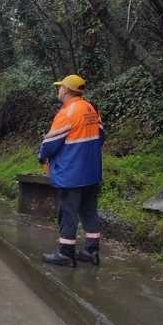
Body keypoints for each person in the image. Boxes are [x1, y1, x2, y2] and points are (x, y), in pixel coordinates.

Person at [37, 74, 105, 267]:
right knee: (89, 211)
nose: (58, 90)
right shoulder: (91, 109)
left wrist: (42, 157)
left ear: (66, 89)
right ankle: (91, 251)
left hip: (71, 174)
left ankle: (66, 253)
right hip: (92, 172)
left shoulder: (67, 113)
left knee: (68, 212)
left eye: (60, 87)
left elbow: (50, 144)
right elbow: (101, 136)